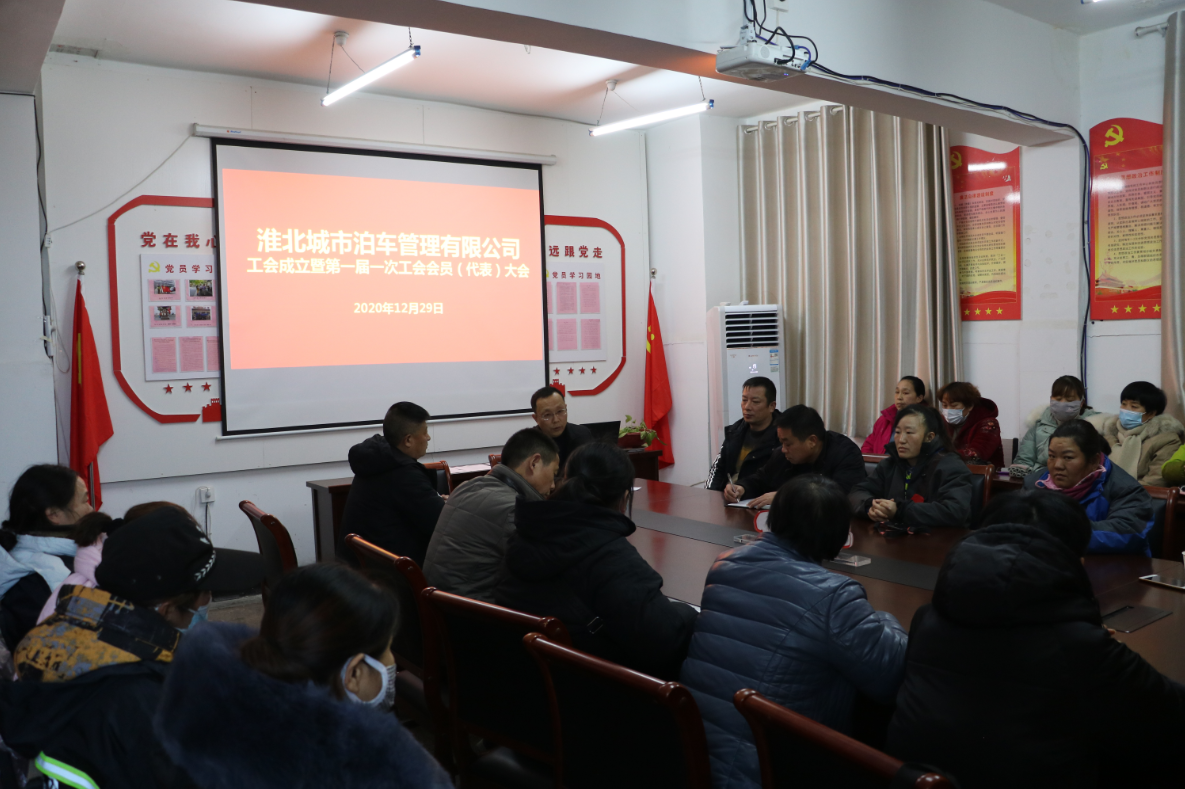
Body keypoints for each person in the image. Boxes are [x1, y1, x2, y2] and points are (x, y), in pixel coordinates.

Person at [886, 490, 1185, 788]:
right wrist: (1103, 651)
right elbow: (1171, 716)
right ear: (1075, 560)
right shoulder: (1080, 647)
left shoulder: (928, 617)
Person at [0, 507, 264, 789]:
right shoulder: (148, 698)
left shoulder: (56, 629)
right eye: (206, 592)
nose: (208, 600)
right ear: (167, 609)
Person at [681, 476, 908, 789]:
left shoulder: (725, 565)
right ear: (838, 534)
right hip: (766, 771)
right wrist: (885, 618)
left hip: (691, 757)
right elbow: (890, 675)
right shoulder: (833, 596)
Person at [156, 563, 452, 789]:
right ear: (354, 673)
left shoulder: (198, 712)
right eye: (388, 649)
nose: (392, 662)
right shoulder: (390, 770)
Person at [495, 442, 697, 679]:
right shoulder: (609, 555)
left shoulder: (525, 533)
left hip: (521, 677)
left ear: (565, 480)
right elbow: (665, 643)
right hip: (591, 689)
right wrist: (690, 615)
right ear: (624, 498)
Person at [424, 429, 560, 602]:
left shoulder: (466, 486)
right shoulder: (514, 509)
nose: (553, 485)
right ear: (534, 463)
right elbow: (542, 568)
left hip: (438, 600)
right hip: (471, 610)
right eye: (554, 473)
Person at [1023, 420, 1154, 555]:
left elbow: (1128, 533)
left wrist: (1059, 531)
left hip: (1115, 565)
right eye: (1052, 456)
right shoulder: (1035, 484)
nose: (1057, 465)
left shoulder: (1126, 489)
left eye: (1068, 457)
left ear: (1093, 461)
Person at [0, 465, 92, 650]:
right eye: (85, 501)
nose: (91, 510)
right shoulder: (33, 580)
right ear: (54, 515)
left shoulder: (77, 554)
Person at [340, 401, 444, 566]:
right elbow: (444, 523)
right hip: (394, 571)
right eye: (425, 432)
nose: (428, 437)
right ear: (408, 440)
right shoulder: (405, 474)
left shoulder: (378, 459)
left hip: (363, 567)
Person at [850, 405, 973, 531]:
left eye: (909, 432)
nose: (901, 440)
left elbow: (955, 511)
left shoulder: (950, 466)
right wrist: (870, 506)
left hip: (940, 539)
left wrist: (900, 510)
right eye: (898, 432)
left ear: (929, 437)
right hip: (895, 537)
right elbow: (856, 492)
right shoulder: (889, 465)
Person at [724, 405, 865, 507]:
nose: (783, 449)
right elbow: (761, 479)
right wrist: (742, 488)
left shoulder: (845, 453)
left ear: (812, 441)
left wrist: (786, 497)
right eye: (781, 443)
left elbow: (840, 497)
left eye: (788, 444)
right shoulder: (782, 455)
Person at [1011, 375, 1101, 474]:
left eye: (1069, 400)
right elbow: (1024, 460)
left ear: (1081, 402)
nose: (1062, 403)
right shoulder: (1039, 425)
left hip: (1078, 479)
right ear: (1051, 400)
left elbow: (1097, 464)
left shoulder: (1095, 427)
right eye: (1058, 399)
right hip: (1040, 478)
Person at [1100, 380, 1184, 487]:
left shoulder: (1166, 440)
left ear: (1151, 413)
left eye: (1134, 406)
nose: (1126, 410)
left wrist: (1121, 491)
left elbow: (1156, 480)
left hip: (1139, 494)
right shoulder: (1109, 434)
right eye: (1124, 404)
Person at [707, 376, 782, 491]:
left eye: (755, 402)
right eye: (744, 400)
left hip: (757, 497)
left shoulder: (782, 436)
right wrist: (711, 495)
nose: (747, 407)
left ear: (772, 406)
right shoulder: (735, 431)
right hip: (729, 495)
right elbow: (718, 469)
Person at [937, 381, 1003, 467]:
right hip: (948, 470)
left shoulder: (989, 424)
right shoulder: (941, 421)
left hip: (981, 472)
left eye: (954, 405)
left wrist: (940, 455)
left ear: (970, 406)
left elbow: (977, 454)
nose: (948, 410)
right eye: (945, 405)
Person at [530, 385, 592, 471]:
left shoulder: (581, 435)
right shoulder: (528, 443)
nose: (556, 420)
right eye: (547, 415)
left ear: (566, 408)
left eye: (560, 411)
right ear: (536, 418)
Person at [860, 376, 927, 454]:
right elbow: (868, 446)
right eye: (897, 392)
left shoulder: (927, 420)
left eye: (905, 393)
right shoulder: (884, 419)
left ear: (919, 398)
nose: (899, 397)